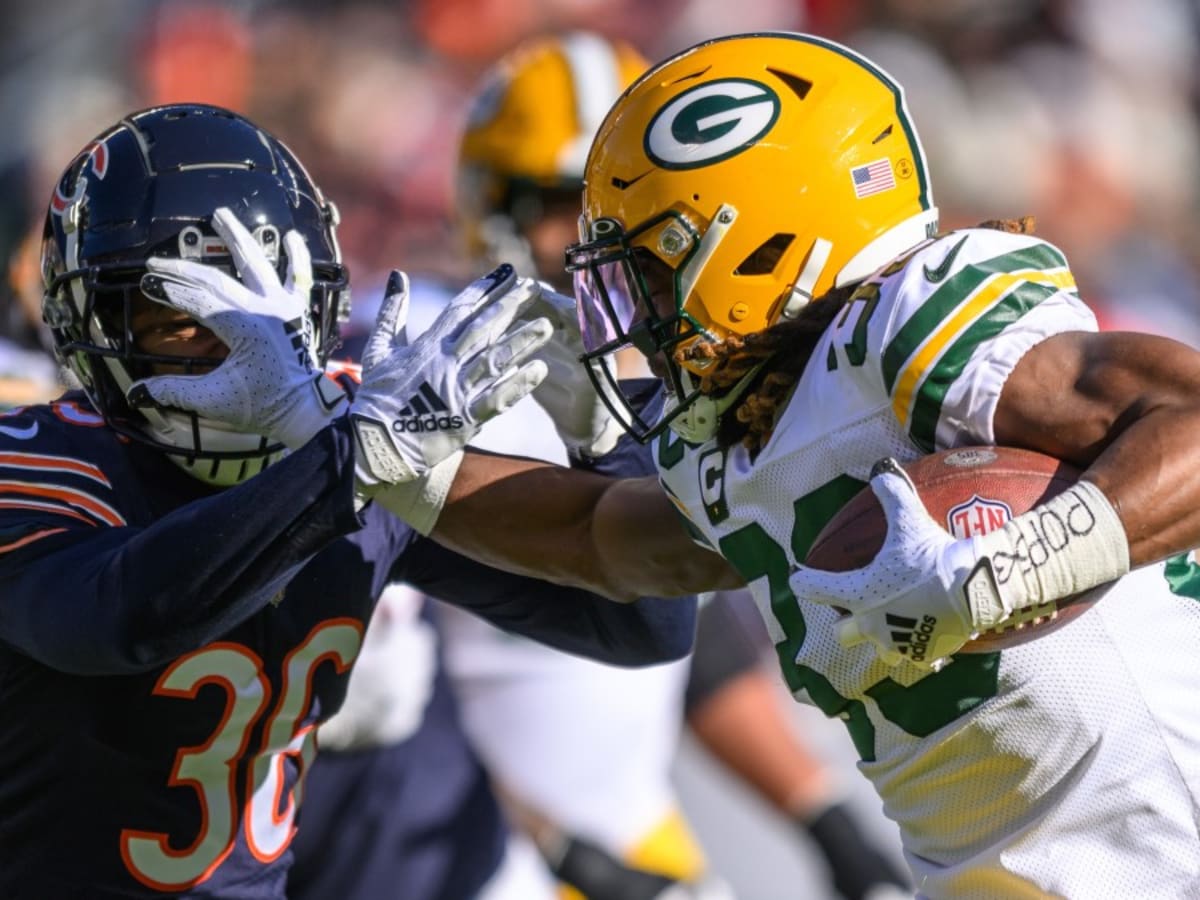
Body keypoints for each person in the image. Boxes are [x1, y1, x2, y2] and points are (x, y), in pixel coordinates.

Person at [315, 32, 1199, 895]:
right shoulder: (740, 436)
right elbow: (594, 536)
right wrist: (401, 472)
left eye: (654, 268)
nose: (634, 309)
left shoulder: (905, 335)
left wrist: (1002, 574)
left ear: (764, 243)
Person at [0, 102, 696, 900]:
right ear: (86, 323)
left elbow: (638, 621)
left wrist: (610, 443)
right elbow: (125, 619)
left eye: (262, 309)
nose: (224, 347)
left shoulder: (356, 439)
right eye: (174, 319)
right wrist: (347, 464)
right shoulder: (40, 459)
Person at [448, 30, 907, 900]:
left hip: (641, 842)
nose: (588, 243)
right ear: (487, 199)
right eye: (555, 200)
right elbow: (375, 688)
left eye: (634, 220)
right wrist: (553, 847)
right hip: (455, 857)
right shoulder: (427, 380)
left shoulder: (673, 370)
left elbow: (688, 637)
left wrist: (824, 818)